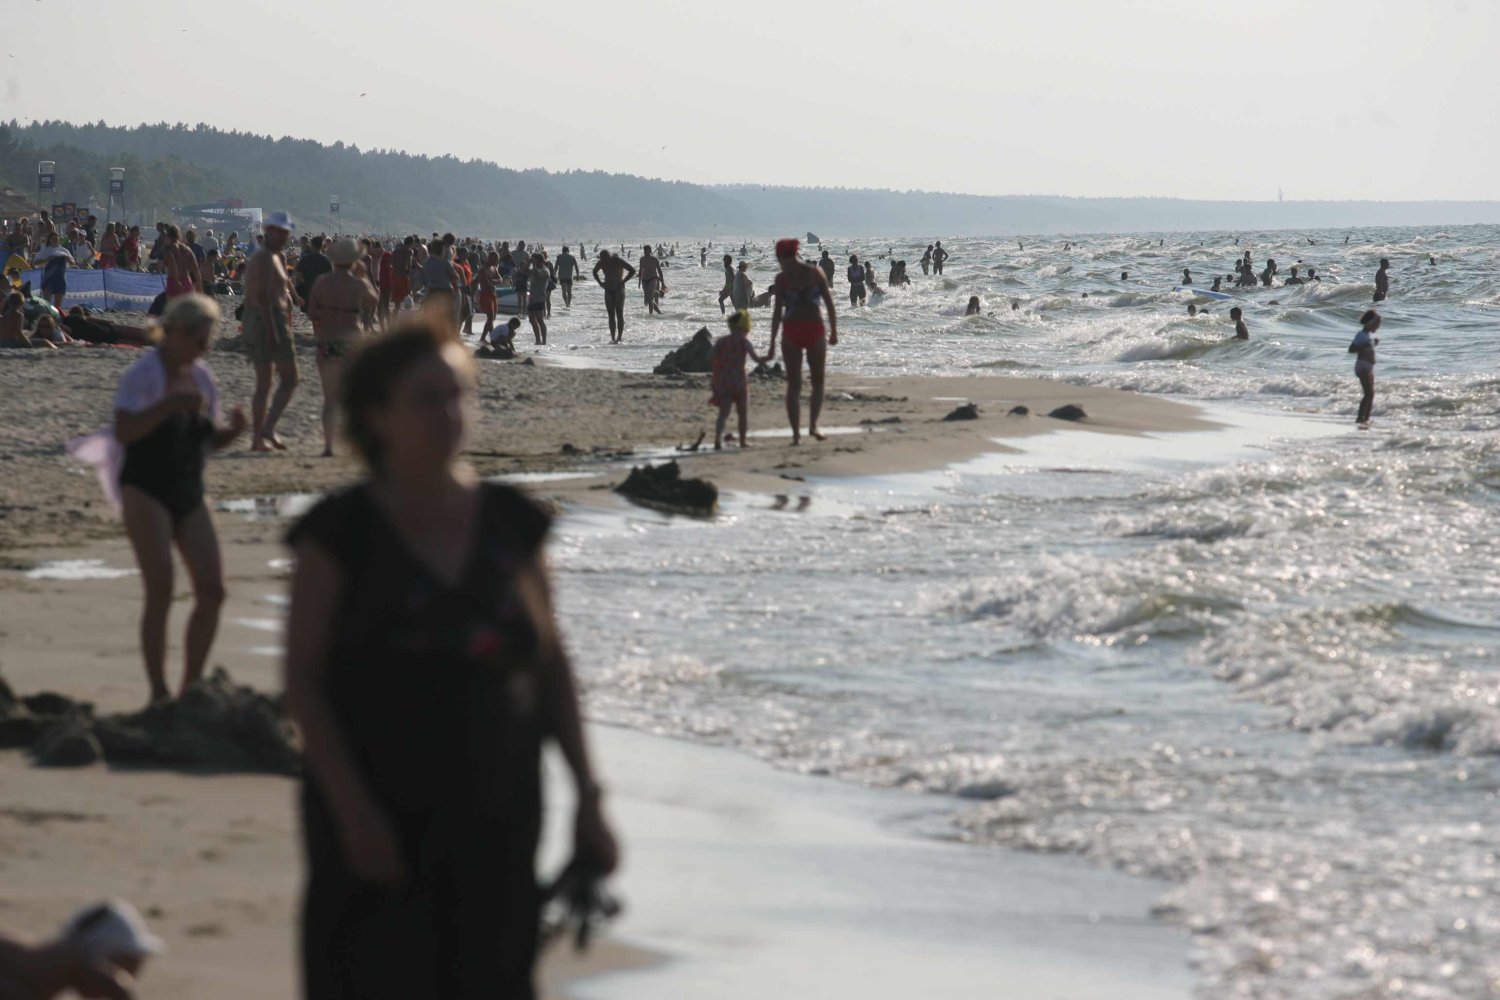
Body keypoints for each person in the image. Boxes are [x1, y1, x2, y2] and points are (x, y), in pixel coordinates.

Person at [283, 318, 618, 1000]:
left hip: (497, 819)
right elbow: (304, 681)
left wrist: (588, 795)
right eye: (426, 398)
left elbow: (550, 665)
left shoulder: (512, 523)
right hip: (375, 820)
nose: (449, 414)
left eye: (457, 394)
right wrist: (353, 811)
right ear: (377, 414)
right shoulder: (339, 534)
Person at [111, 295, 247, 703]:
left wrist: (233, 433)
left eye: (208, 342)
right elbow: (124, 432)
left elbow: (205, 442)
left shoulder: (201, 376)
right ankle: (158, 691)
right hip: (145, 486)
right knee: (162, 588)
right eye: (200, 341)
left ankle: (191, 687)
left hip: (188, 485)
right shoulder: (144, 374)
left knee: (212, 590)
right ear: (176, 334)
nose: (204, 350)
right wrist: (168, 406)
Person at [308, 238, 378, 457]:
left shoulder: (322, 282)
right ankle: (355, 442)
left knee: (329, 398)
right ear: (354, 260)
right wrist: (363, 276)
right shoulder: (357, 284)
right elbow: (372, 301)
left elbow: (312, 312)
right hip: (351, 342)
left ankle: (328, 445)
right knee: (354, 395)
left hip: (327, 341)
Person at [768, 238, 838, 445]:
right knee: (801, 384)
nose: (781, 263)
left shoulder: (796, 276)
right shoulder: (809, 274)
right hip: (803, 331)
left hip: (804, 331)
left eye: (780, 259)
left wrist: (834, 332)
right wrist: (771, 343)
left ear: (783, 257)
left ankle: (808, 428)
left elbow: (829, 304)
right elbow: (777, 312)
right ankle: (801, 432)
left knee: (809, 383)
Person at [245, 212, 300, 452]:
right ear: (270, 231)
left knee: (265, 383)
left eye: (287, 233)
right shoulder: (265, 258)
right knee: (289, 379)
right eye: (282, 233)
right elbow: (262, 297)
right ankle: (266, 429)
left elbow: (281, 287)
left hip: (265, 318)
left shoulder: (275, 255)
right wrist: (273, 333)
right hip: (267, 319)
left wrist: (296, 299)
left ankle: (259, 437)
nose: (286, 237)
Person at [710, 309, 769, 449]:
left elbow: (710, 358)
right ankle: (742, 441)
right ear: (744, 328)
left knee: (723, 413)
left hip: (724, 381)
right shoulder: (744, 342)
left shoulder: (721, 342)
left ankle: (717, 439)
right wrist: (769, 356)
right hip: (740, 381)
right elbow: (756, 359)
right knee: (742, 413)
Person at [592, 250, 636, 343]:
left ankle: (619, 337)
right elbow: (594, 272)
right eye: (603, 259)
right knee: (611, 314)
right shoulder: (601, 262)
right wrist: (600, 283)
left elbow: (632, 270)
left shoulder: (617, 260)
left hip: (619, 289)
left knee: (619, 313)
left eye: (606, 258)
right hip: (608, 289)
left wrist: (623, 281)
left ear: (609, 256)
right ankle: (612, 337)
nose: (605, 261)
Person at [1349, 309, 1381, 427]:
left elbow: (1367, 347)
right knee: (1368, 394)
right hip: (1362, 366)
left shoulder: (1367, 336)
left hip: (1368, 367)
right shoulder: (1361, 335)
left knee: (1371, 394)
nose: (1378, 327)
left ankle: (1366, 419)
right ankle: (1360, 418)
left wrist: (1372, 344)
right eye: (1377, 324)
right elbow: (1351, 349)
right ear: (1370, 322)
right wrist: (1366, 345)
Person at [35, 232, 75, 310]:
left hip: (60, 279)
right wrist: (48, 259)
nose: (55, 240)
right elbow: (35, 262)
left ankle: (56, 316)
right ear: (49, 240)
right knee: (47, 305)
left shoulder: (64, 250)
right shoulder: (45, 250)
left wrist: (68, 259)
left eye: (56, 238)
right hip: (48, 279)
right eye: (53, 239)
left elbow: (73, 263)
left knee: (58, 307)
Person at [526, 253, 550, 344]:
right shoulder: (534, 269)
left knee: (540, 319)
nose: (535, 263)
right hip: (532, 297)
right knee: (531, 319)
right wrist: (529, 262)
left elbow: (537, 274)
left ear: (541, 261)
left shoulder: (545, 270)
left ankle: (544, 341)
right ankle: (538, 340)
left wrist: (533, 264)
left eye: (536, 261)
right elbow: (525, 272)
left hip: (540, 297)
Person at [638, 246, 663, 315]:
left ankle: (653, 314)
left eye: (647, 251)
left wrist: (663, 282)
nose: (646, 253)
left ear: (650, 251)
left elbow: (659, 271)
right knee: (648, 299)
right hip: (644, 280)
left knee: (649, 298)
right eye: (645, 251)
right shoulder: (642, 259)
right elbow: (640, 270)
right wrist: (639, 281)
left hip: (653, 279)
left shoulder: (654, 259)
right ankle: (656, 313)